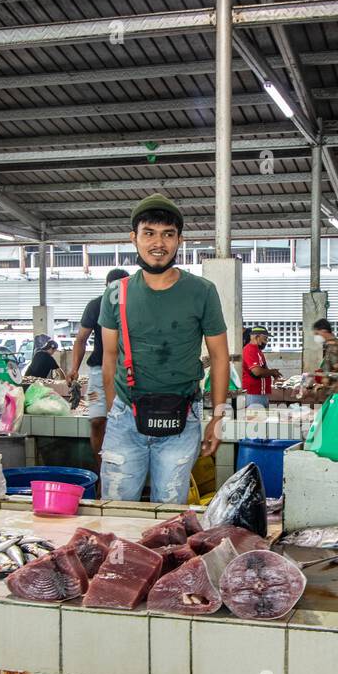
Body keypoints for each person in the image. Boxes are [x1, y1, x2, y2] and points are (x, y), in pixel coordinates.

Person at [97, 193, 229, 503]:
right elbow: (110, 357)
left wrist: (218, 417)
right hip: (125, 417)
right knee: (116, 509)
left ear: (179, 240)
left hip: (182, 418)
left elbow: (221, 357)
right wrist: (115, 411)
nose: (159, 243)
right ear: (134, 238)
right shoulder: (116, 294)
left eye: (168, 234)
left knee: (169, 512)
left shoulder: (202, 291)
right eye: (149, 233)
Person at [68, 267, 130, 469]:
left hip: (127, 372)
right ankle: (101, 468)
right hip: (97, 372)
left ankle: (123, 467)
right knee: (97, 421)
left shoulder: (135, 305)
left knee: (126, 421)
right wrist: (74, 369)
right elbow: (80, 339)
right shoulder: (95, 305)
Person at [241, 326, 281, 410]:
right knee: (256, 421)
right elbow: (257, 372)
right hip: (253, 394)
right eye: (265, 338)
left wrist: (274, 373)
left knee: (262, 420)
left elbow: (264, 369)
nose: (267, 341)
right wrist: (272, 372)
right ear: (257, 337)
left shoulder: (258, 351)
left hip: (261, 393)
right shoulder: (249, 350)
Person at [312, 318, 338, 391]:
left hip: (336, 388)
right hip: (331, 387)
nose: (316, 336)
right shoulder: (330, 345)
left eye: (317, 333)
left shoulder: (335, 346)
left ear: (324, 331)